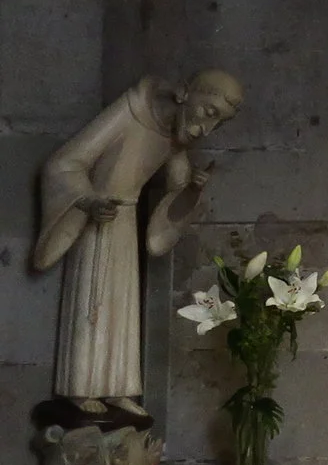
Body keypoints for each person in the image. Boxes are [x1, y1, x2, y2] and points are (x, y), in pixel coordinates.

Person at [36, 71, 244, 411]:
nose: (206, 130)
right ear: (184, 93)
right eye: (208, 113)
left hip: (126, 222)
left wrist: (193, 189)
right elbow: (64, 163)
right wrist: (89, 201)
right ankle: (80, 388)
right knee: (93, 302)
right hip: (98, 220)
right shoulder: (131, 110)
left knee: (122, 306)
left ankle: (119, 388)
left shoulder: (174, 133)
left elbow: (176, 190)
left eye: (217, 123)